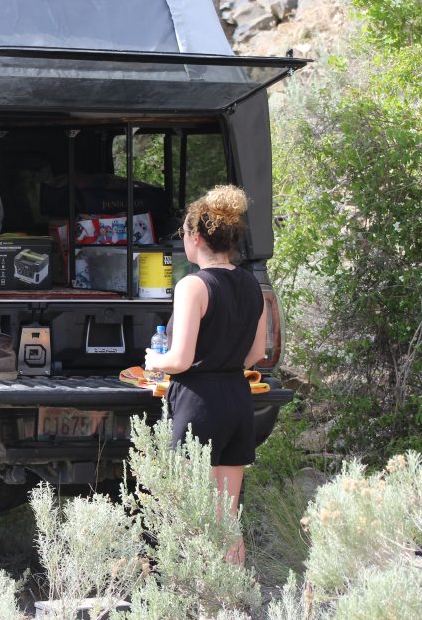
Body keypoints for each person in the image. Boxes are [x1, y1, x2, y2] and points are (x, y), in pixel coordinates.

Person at [144, 184, 268, 565]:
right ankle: (232, 600)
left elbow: (179, 359)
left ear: (196, 237)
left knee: (188, 517)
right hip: (237, 400)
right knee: (226, 520)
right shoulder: (253, 285)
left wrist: (153, 360)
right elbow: (256, 354)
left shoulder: (192, 285)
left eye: (182, 233)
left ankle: (188, 601)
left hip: (199, 403)